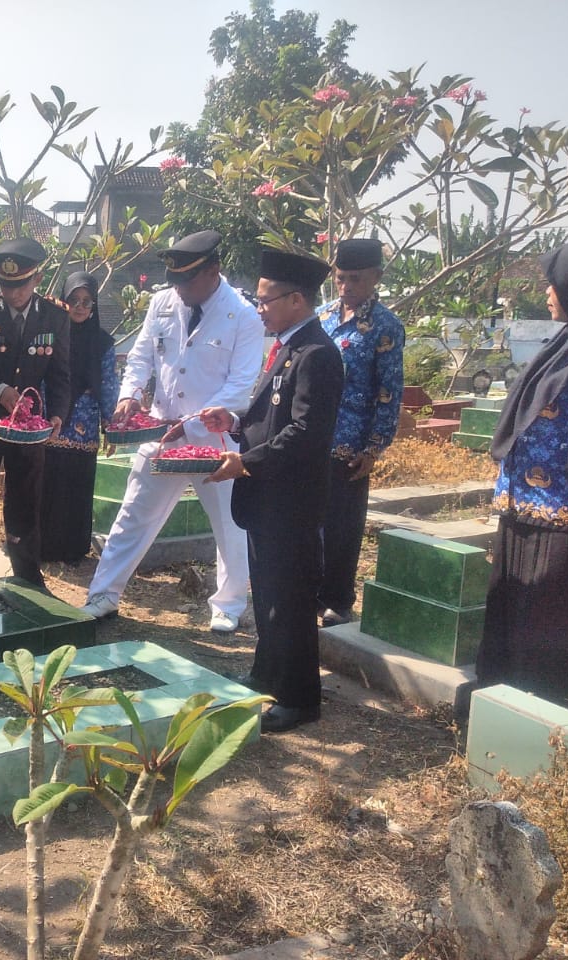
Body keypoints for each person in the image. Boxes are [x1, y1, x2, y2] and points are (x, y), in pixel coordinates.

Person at [79, 231, 263, 630]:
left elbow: (242, 384)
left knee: (230, 527)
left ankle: (228, 606)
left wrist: (192, 423)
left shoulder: (243, 315)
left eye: (187, 281)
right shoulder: (163, 302)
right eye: (174, 280)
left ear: (213, 271)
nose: (178, 289)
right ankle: (104, 594)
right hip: (161, 432)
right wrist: (130, 395)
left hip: (215, 439)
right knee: (133, 515)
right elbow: (142, 355)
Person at [201, 248, 343, 733]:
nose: (258, 308)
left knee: (292, 602)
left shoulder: (319, 355)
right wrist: (236, 422)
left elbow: (305, 432)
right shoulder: (286, 345)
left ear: (297, 300)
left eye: (266, 300)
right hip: (267, 499)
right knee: (269, 598)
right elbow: (272, 418)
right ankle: (268, 675)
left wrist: (246, 461)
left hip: (291, 501)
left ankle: (300, 697)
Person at [478, 234, 568, 713]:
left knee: (548, 620)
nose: (547, 292)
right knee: (511, 613)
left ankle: (540, 716)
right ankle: (499, 707)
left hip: (567, 515)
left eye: (556, 283)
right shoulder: (565, 342)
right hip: (521, 509)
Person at [0, 236, 71, 588]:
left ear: (36, 279)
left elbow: (61, 372)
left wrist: (57, 415)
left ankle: (26, 577)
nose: (12, 293)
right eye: (6, 285)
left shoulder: (55, 315)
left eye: (20, 285)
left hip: (29, 428)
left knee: (25, 500)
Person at [317, 238, 405, 627]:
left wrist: (374, 447)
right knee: (308, 524)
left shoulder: (385, 327)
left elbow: (390, 392)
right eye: (340, 278)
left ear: (376, 277)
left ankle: (338, 599)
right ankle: (307, 593)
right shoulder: (321, 318)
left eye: (355, 278)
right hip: (311, 438)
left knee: (342, 526)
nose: (347, 287)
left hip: (350, 445)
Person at [40, 271, 117, 563]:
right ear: (64, 301)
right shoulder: (50, 335)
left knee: (77, 485)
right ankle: (45, 548)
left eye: (87, 301)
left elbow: (109, 384)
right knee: (49, 484)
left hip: (85, 426)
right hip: (51, 423)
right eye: (74, 300)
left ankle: (73, 549)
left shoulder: (103, 343)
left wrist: (110, 426)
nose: (81, 307)